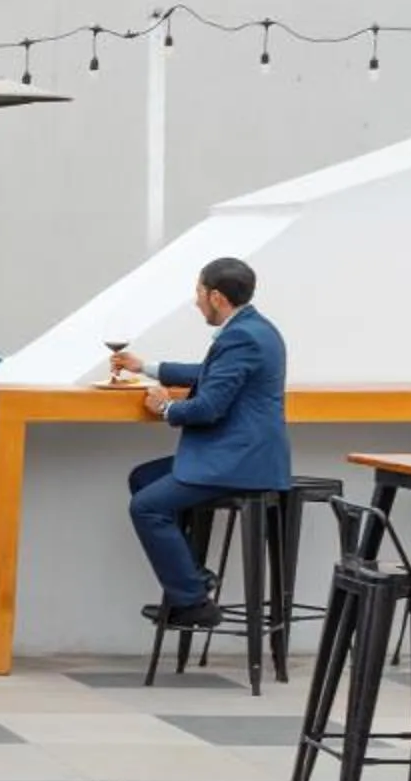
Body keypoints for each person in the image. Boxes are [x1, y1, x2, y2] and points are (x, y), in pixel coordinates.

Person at [110, 257, 291, 630]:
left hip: (239, 461)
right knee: (143, 478)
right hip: (238, 454)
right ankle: (194, 578)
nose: (195, 302)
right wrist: (144, 366)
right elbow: (209, 373)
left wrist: (166, 408)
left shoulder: (240, 337)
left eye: (198, 293)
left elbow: (208, 408)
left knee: (146, 507)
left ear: (217, 296)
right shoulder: (255, 328)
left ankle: (193, 604)